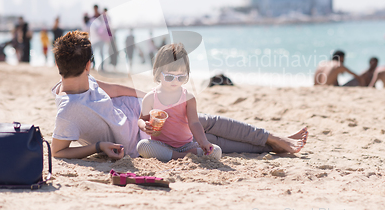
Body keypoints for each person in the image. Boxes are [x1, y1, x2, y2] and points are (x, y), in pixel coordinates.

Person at [51, 31, 308, 160]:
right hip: (147, 137)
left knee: (209, 122)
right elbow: (58, 152)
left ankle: (273, 138)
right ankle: (270, 144)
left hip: (152, 111)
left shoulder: (86, 80)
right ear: (88, 65)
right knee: (212, 139)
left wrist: (153, 96)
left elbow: (117, 89)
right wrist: (97, 147)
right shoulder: (67, 111)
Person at [136, 43, 222, 161]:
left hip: (186, 145)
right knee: (142, 146)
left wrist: (203, 142)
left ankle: (175, 156)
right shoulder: (151, 98)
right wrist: (144, 126)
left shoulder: (188, 98)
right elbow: (141, 119)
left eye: (181, 77)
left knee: (216, 151)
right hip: (161, 145)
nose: (175, 81)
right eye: (169, 77)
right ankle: (182, 157)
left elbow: (194, 123)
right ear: (157, 72)